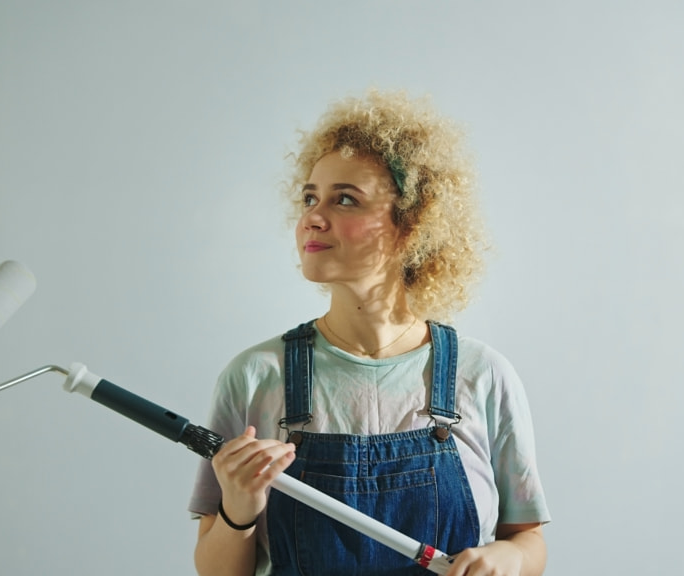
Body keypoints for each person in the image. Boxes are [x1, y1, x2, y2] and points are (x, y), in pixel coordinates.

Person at [190, 89, 551, 576]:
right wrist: (238, 510)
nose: (313, 217)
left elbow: (527, 541)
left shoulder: (483, 375)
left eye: (345, 199)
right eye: (310, 198)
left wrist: (506, 559)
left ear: (412, 224)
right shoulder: (255, 377)